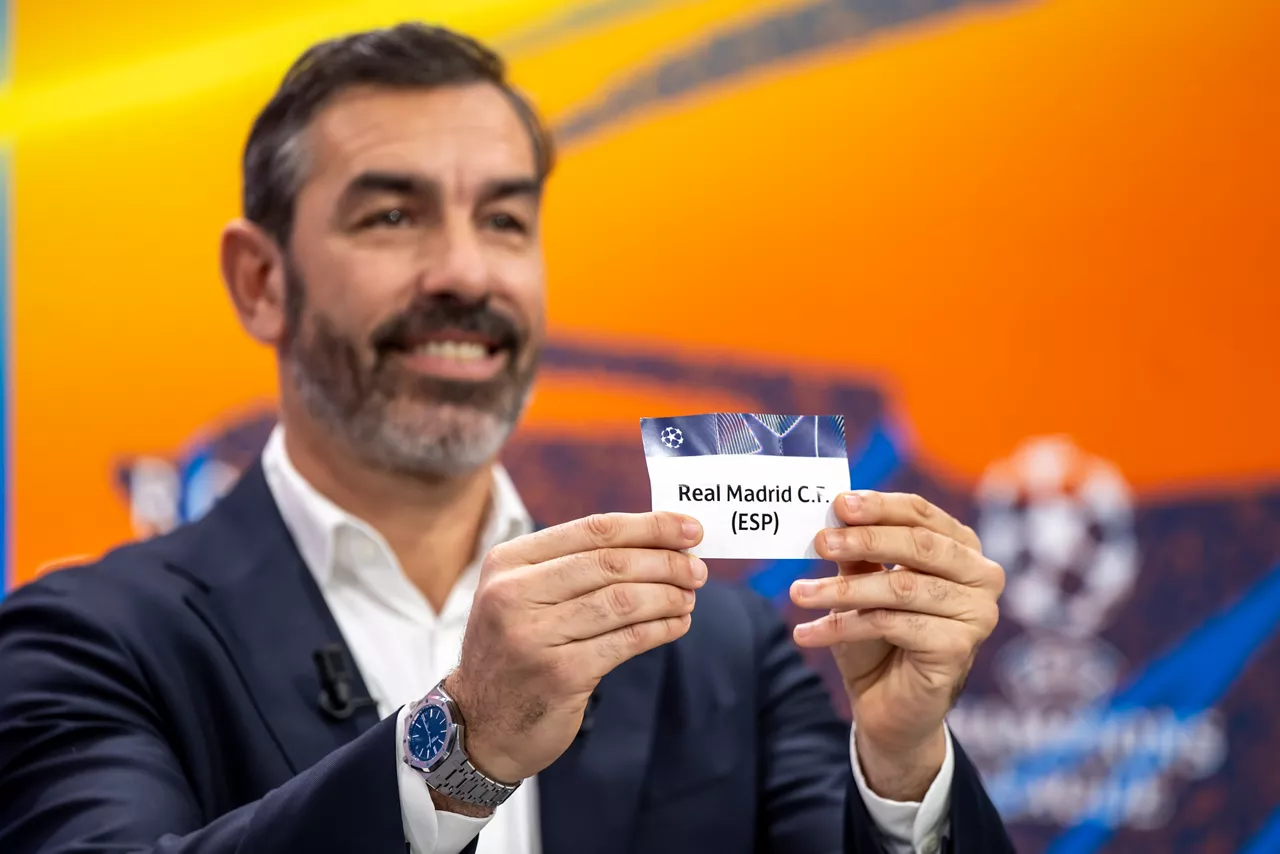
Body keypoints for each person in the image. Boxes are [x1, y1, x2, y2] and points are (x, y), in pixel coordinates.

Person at [0, 23, 1013, 854]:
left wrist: (900, 765)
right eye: (392, 216)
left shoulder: (727, 652)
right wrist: (458, 749)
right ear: (261, 281)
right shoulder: (86, 643)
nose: (463, 272)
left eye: (503, 221)